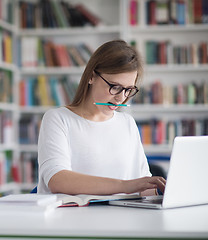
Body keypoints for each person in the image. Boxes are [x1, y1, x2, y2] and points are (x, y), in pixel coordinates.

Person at [37, 40, 166, 196]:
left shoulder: (127, 123)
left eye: (128, 90)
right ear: (92, 76)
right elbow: (57, 181)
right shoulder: (58, 119)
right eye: (115, 87)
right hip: (71, 218)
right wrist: (124, 186)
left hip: (121, 217)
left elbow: (143, 186)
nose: (121, 98)